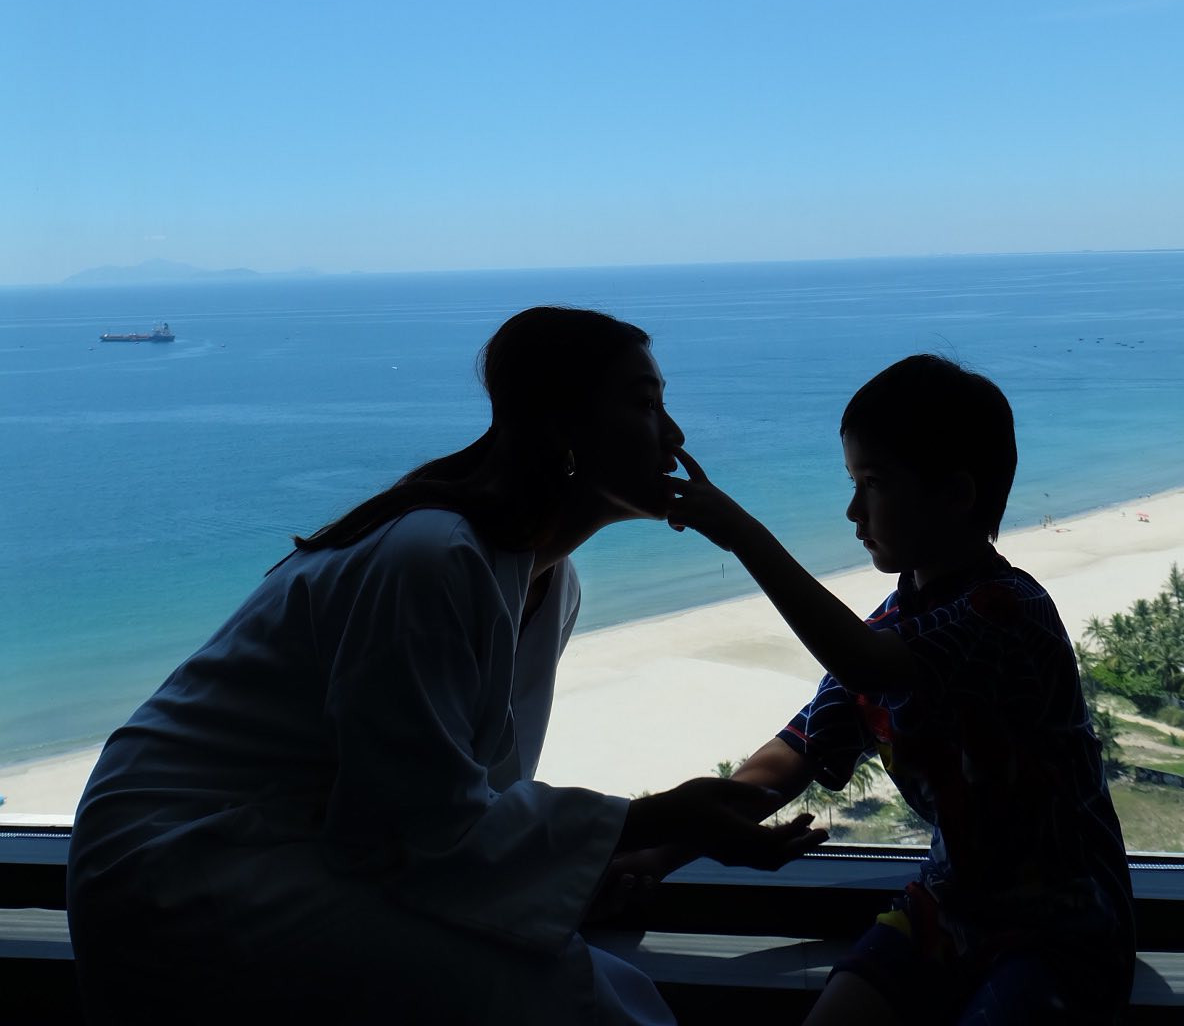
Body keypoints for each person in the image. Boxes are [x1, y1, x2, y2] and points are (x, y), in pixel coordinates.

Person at [67, 306, 824, 1026]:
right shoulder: (430, 559)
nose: (674, 434)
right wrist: (652, 819)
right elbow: (413, 821)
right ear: (561, 426)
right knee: (562, 996)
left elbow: (461, 798)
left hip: (304, 843)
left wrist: (592, 861)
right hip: (180, 862)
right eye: (644, 404)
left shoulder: (547, 582)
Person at [666, 353, 1135, 1025]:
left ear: (956, 495)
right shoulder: (898, 624)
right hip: (950, 905)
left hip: (1066, 926)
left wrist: (742, 534)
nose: (852, 509)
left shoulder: (1005, 613)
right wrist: (659, 852)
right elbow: (795, 752)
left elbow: (867, 667)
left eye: (874, 483)